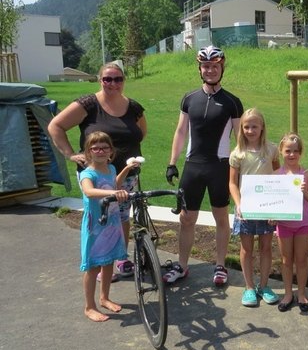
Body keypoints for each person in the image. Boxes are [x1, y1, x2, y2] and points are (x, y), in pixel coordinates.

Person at [48, 62, 146, 282]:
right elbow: (55, 126)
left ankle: (119, 258)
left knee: (121, 216)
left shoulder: (134, 107)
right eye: (107, 79)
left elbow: (141, 133)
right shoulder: (88, 104)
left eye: (118, 79)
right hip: (96, 176)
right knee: (100, 219)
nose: (113, 83)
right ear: (100, 80)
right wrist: (70, 153)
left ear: (124, 81)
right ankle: (100, 263)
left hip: (126, 174)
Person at [164, 45, 244, 286]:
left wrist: (242, 171)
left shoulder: (232, 102)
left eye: (215, 66)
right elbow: (180, 132)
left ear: (222, 68)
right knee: (187, 219)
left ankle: (220, 266)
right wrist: (172, 162)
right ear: (200, 69)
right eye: (206, 66)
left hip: (220, 167)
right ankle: (182, 265)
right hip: (193, 166)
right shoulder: (189, 98)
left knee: (221, 218)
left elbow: (240, 139)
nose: (210, 70)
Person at [78, 131, 140, 322]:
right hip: (96, 226)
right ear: (89, 152)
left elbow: (114, 183)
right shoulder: (87, 173)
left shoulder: (111, 168)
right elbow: (88, 192)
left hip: (111, 223)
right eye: (95, 147)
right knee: (94, 267)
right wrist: (115, 191)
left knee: (108, 264)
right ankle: (89, 306)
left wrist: (126, 170)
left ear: (110, 151)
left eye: (104, 147)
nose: (100, 150)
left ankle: (104, 298)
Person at [229, 108, 281, 307]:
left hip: (267, 208)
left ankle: (264, 285)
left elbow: (279, 176)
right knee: (246, 248)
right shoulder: (238, 154)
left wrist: (278, 205)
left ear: (262, 128)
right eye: (246, 127)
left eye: (254, 126)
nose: (250, 130)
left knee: (266, 248)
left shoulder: (271, 150)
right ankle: (249, 287)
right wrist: (239, 204)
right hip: (246, 209)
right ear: (241, 128)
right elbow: (232, 183)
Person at [274, 133, 308, 313]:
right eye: (288, 151)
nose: (291, 155)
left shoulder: (306, 175)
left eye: (295, 151)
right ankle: (288, 294)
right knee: (286, 260)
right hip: (284, 225)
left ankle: (301, 294)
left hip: (303, 224)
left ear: (300, 153)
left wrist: (305, 193)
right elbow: (273, 202)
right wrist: (272, 216)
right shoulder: (276, 175)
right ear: (281, 151)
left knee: (301, 260)